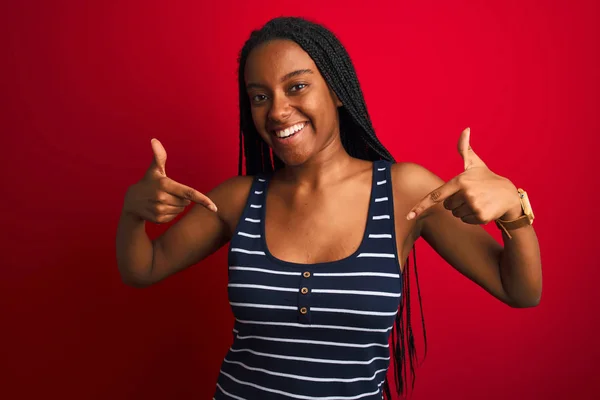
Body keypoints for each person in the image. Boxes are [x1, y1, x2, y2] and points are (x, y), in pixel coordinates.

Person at [116, 16, 542, 400]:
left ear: (337, 89)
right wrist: (133, 213)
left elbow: (519, 290)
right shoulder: (237, 199)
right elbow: (144, 268)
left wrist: (513, 212)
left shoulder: (403, 191)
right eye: (259, 96)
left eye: (297, 86)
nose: (279, 111)